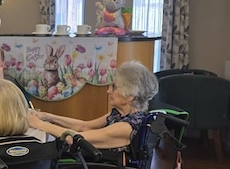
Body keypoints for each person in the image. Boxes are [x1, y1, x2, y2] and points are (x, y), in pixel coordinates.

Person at [27, 60, 158, 151]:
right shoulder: (121, 114)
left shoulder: (126, 127)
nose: (108, 91)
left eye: (114, 87)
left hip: (101, 168)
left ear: (130, 96)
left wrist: (38, 124)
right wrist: (48, 117)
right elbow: (84, 126)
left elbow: (73, 138)